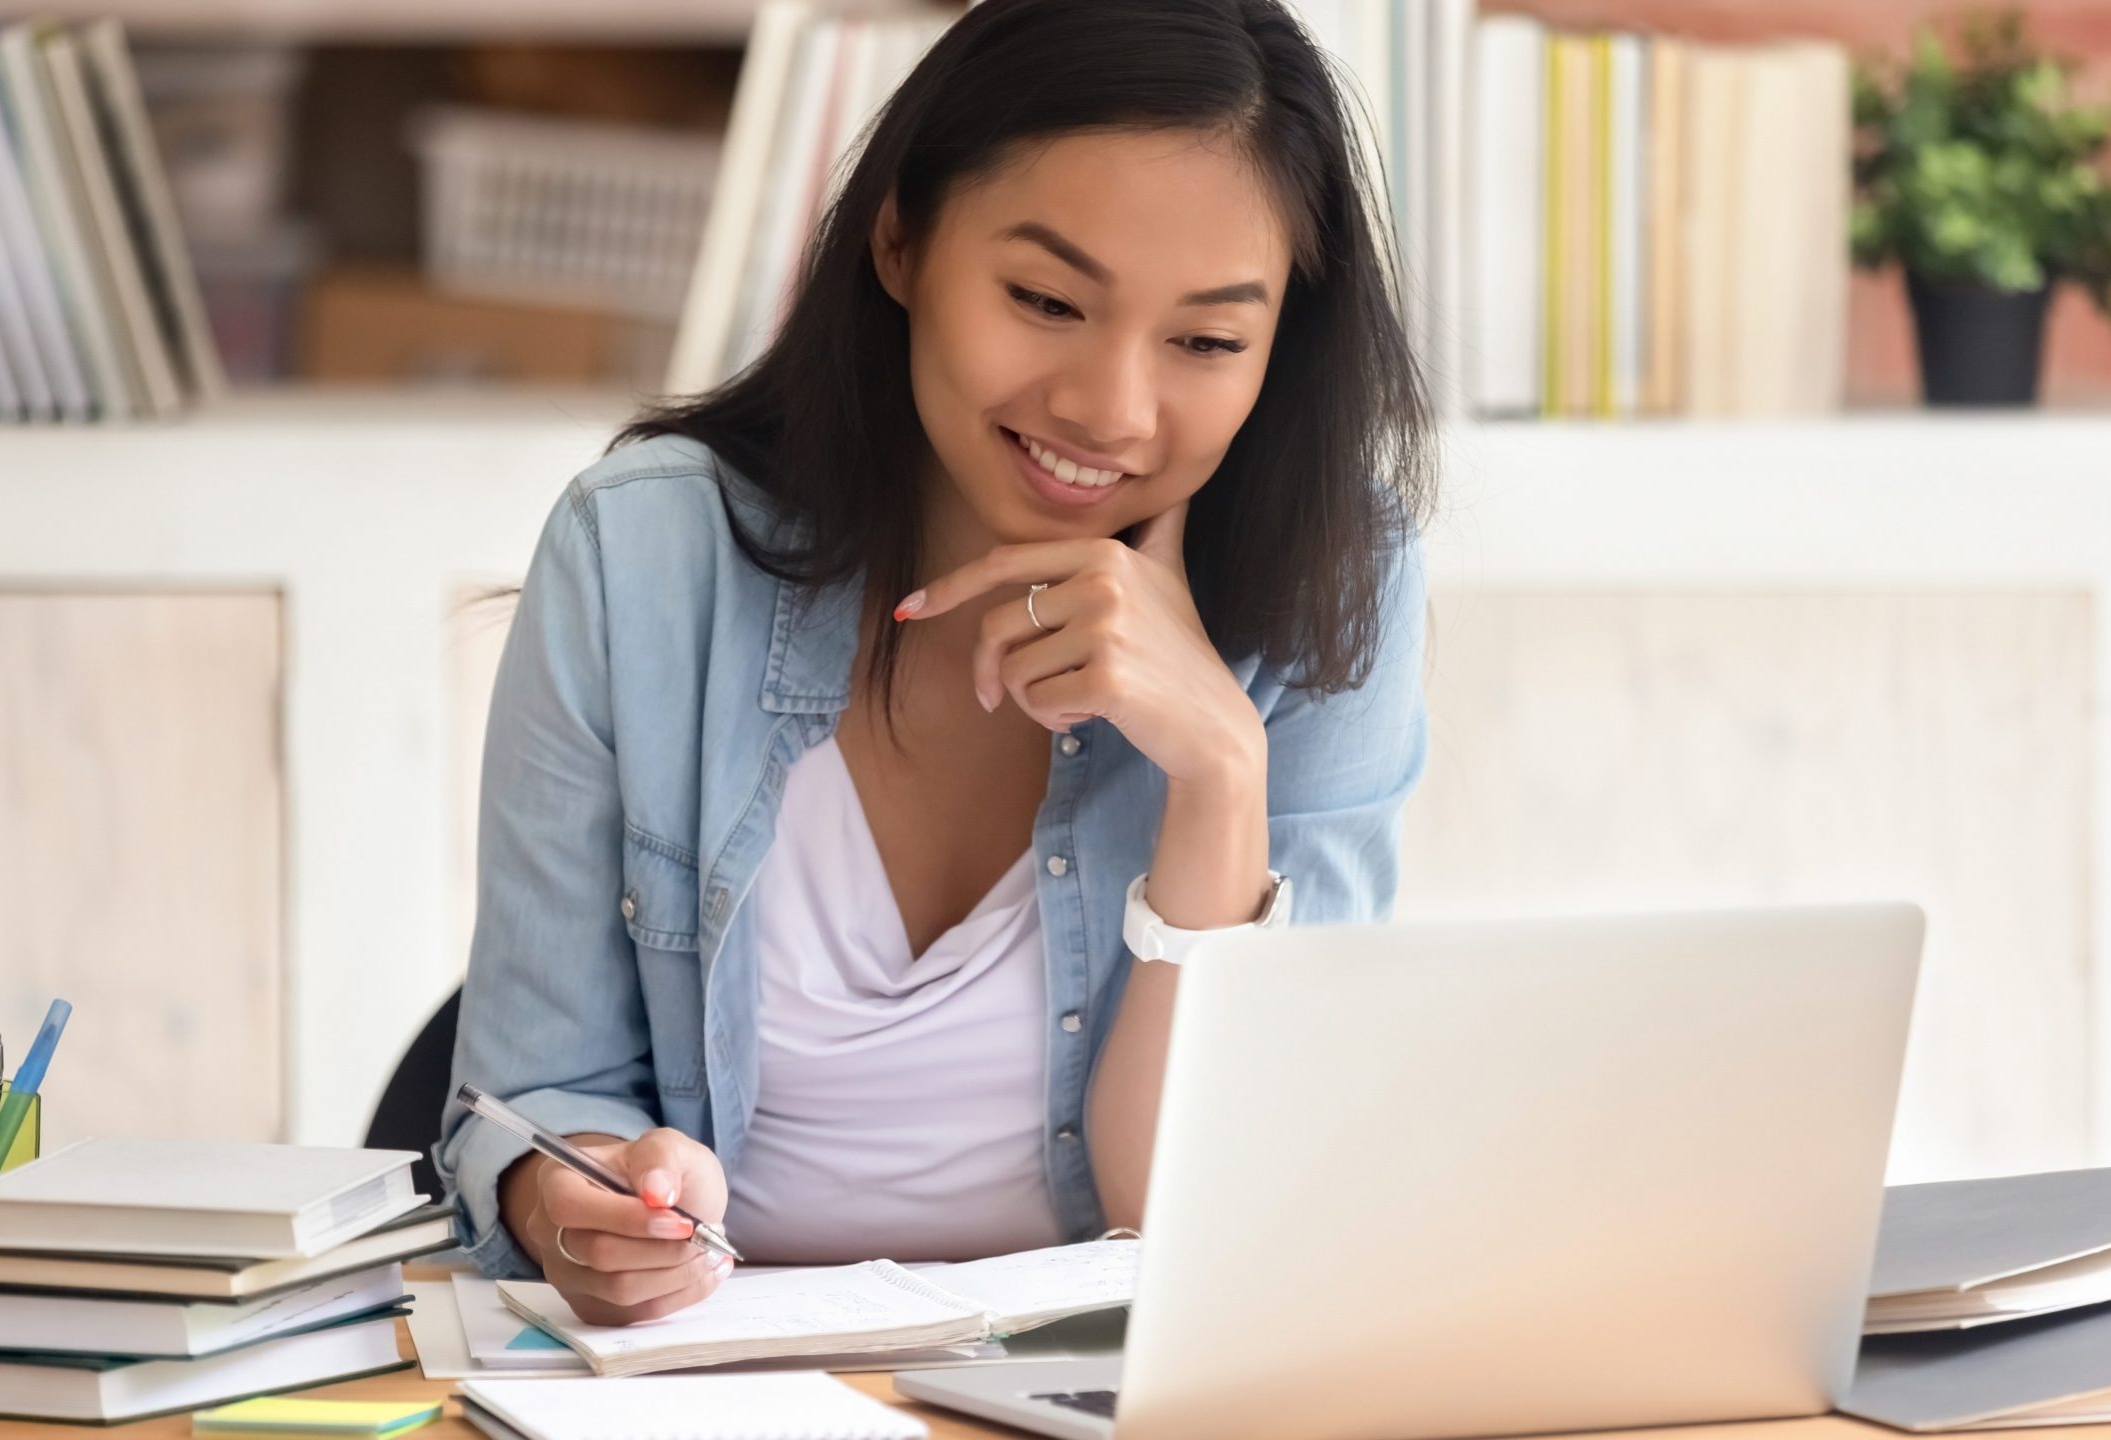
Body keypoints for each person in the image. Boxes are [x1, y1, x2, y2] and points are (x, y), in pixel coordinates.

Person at [436, 0, 1435, 1327]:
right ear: (900, 240)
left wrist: (1219, 772)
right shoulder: (647, 552)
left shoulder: (1331, 578)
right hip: (722, 1394)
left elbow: (1211, 1222)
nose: (1111, 409)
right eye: (1045, 300)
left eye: (1205, 340)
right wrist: (584, 1208)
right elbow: (530, 1097)